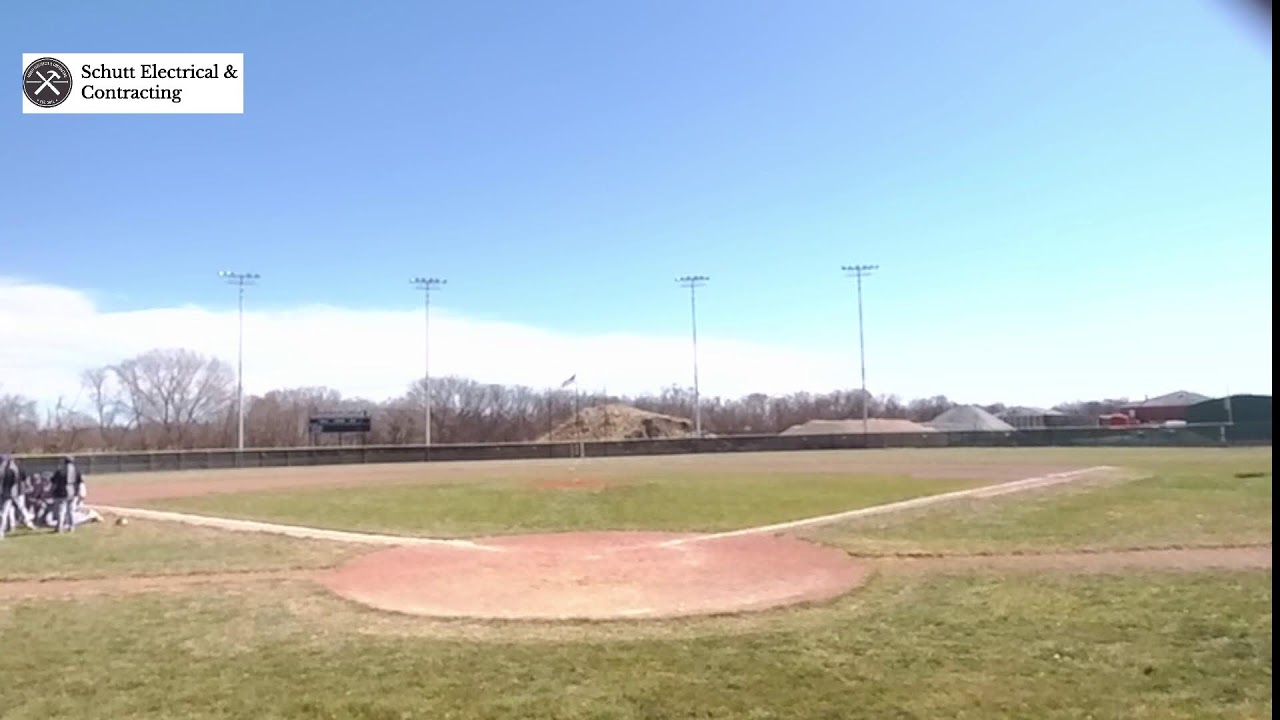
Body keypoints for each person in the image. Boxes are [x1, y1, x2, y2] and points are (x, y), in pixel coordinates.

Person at [49, 456, 86, 534]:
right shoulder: (77, 470)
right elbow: (80, 482)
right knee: (71, 511)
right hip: (73, 493)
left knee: (61, 511)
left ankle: (59, 528)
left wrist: (52, 491)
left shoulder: (60, 471)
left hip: (61, 492)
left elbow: (54, 483)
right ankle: (71, 527)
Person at [0, 453, 23, 538]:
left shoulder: (7, 471)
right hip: (7, 494)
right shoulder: (10, 471)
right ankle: (1, 532)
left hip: (5, 494)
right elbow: (16, 481)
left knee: (4, 513)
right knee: (4, 513)